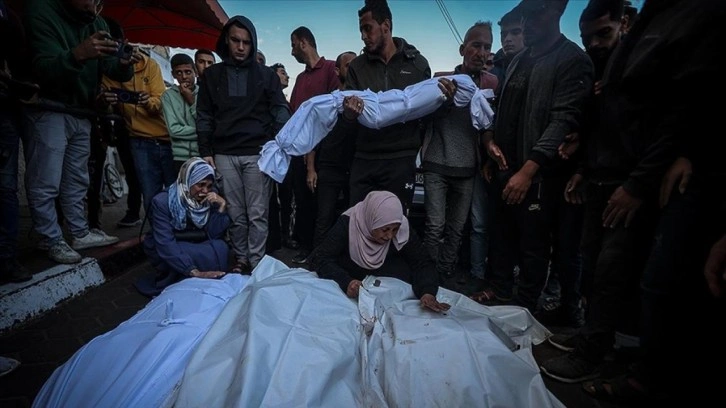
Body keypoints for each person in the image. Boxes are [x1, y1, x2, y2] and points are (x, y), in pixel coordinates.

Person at [475, 0, 593, 313]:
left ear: (556, 12)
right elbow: (502, 110)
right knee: (501, 236)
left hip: (539, 176)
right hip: (505, 168)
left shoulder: (571, 59)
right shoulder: (518, 60)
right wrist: (490, 145)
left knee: (534, 243)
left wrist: (528, 171)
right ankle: (499, 291)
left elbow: (563, 120)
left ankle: (525, 307)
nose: (526, 24)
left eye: (533, 15)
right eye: (523, 17)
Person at [23, 0, 134, 264]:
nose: (95, 7)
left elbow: (111, 67)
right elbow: (42, 68)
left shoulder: (97, 22)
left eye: (99, 1)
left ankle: (79, 232)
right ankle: (49, 238)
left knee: (77, 179)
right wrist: (78, 54)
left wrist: (123, 62)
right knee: (46, 180)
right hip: (48, 107)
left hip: (82, 111)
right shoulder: (40, 11)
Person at [338, 0, 453, 214]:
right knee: (359, 222)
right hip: (365, 159)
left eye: (367, 28)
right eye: (361, 30)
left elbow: (428, 116)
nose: (363, 36)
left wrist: (445, 100)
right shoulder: (357, 67)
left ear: (386, 26)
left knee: (395, 224)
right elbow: (347, 117)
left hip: (401, 160)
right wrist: (349, 115)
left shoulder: (417, 64)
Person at [196, 15, 290, 272]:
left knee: (258, 213)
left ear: (253, 44)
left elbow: (280, 110)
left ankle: (257, 262)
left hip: (257, 154)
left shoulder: (266, 76)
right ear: (226, 40)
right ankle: (241, 259)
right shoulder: (212, 75)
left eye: (246, 42)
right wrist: (205, 150)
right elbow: (204, 115)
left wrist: (278, 144)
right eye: (235, 40)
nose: (240, 47)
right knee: (235, 213)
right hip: (224, 153)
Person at [423, 21, 497, 283]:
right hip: (436, 163)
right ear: (462, 49)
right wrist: (445, 100)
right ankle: (427, 275)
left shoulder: (491, 84)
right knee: (434, 226)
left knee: (457, 228)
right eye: (476, 45)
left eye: (487, 47)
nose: (482, 52)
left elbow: (488, 125)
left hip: (467, 168)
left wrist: (489, 148)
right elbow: (425, 116)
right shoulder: (442, 80)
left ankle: (444, 274)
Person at [310, 191, 450, 313]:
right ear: (372, 220)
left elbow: (422, 262)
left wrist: (427, 292)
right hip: (353, 283)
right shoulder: (350, 223)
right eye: (384, 229)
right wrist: (346, 282)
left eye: (394, 229)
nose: (389, 236)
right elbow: (322, 258)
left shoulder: (402, 228)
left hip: (389, 292)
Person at [288, 26, 341, 265]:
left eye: (293, 45)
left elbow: (331, 112)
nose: (292, 52)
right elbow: (295, 115)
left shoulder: (330, 69)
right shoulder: (300, 79)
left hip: (325, 154)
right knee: (303, 202)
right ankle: (306, 249)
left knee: (324, 206)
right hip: (300, 153)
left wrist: (313, 154)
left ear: (303, 43)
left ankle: (323, 253)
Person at [139, 157, 230, 296]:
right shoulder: (162, 201)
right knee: (191, 253)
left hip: (195, 240)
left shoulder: (209, 198)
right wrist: (193, 271)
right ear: (188, 181)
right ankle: (189, 276)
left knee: (221, 247)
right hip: (171, 244)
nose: (205, 191)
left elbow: (213, 234)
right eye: (200, 185)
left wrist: (222, 206)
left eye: (209, 186)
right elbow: (165, 242)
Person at [311, 51, 358, 250]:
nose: (354, 69)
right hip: (329, 167)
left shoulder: (366, 100)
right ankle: (317, 259)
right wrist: (311, 169)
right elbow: (313, 137)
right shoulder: (327, 102)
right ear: (337, 71)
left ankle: (343, 259)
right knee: (324, 217)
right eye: (349, 65)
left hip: (355, 168)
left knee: (352, 218)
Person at [0, 4, 33, 283]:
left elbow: (20, 59)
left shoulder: (7, 16)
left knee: (4, 186)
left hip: (3, 110)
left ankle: (6, 258)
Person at [162, 53, 200, 173]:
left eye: (188, 72)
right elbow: (174, 130)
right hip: (179, 157)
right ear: (173, 74)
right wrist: (201, 131)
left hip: (203, 154)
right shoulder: (168, 96)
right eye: (179, 73)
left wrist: (191, 101)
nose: (184, 77)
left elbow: (208, 123)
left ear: (195, 72)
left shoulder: (204, 93)